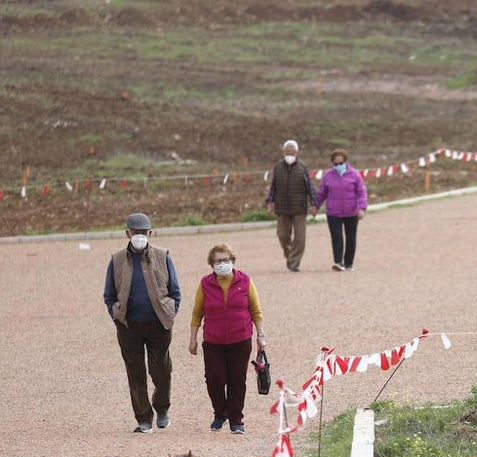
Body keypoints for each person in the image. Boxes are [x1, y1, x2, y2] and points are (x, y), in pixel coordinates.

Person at [103, 212, 181, 434]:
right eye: (134, 232)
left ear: (150, 233)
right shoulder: (117, 260)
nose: (139, 236)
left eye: (143, 232)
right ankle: (143, 418)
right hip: (129, 326)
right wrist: (116, 314)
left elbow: (175, 291)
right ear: (127, 233)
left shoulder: (162, 256)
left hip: (159, 324)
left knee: (162, 370)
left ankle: (162, 408)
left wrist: (170, 313)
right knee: (135, 374)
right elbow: (109, 294)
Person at [187, 243, 265, 435]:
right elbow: (197, 311)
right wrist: (193, 338)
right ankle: (219, 413)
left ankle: (236, 419)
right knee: (215, 378)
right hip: (213, 340)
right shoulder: (205, 284)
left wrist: (261, 335)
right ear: (211, 264)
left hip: (241, 339)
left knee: (237, 379)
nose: (223, 264)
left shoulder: (245, 281)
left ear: (232, 261)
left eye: (226, 260)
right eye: (218, 261)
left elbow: (255, 309)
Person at [313, 148, 369, 272]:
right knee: (336, 237)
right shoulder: (328, 175)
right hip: (334, 212)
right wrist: (315, 206)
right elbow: (321, 192)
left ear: (345, 161)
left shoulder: (354, 174)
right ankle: (338, 262)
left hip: (351, 212)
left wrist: (362, 208)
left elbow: (361, 192)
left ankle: (349, 263)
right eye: (336, 164)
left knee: (351, 237)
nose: (338, 166)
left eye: (341, 163)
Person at [265, 139, 317, 272]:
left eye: (292, 153)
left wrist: (313, 204)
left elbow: (310, 187)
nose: (289, 155)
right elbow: (273, 187)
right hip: (282, 208)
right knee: (282, 235)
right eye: (287, 152)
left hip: (299, 208)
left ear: (297, 153)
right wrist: (270, 202)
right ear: (283, 152)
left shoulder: (303, 167)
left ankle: (294, 263)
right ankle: (290, 255)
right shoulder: (278, 167)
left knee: (300, 237)